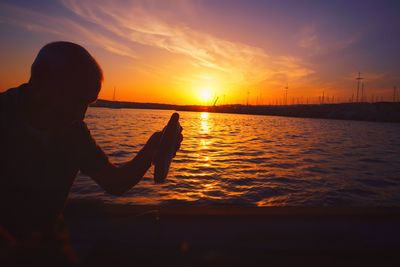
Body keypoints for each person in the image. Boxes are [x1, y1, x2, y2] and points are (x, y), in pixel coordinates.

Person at [0, 41, 183, 235]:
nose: (81, 115)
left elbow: (115, 183)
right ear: (39, 83)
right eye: (75, 100)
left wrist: (152, 150)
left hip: (47, 236)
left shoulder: (74, 131)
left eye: (87, 103)